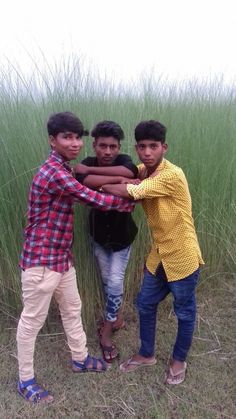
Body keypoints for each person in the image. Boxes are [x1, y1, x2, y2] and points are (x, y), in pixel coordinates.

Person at [16, 112, 135, 403]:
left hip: (60, 258)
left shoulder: (64, 167)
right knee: (31, 322)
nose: (74, 143)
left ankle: (80, 358)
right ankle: (25, 380)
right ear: (52, 140)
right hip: (41, 261)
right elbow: (87, 196)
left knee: (72, 309)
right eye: (67, 137)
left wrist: (124, 186)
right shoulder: (54, 172)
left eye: (77, 137)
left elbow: (88, 184)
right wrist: (126, 201)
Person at [101, 120, 204, 385]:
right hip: (158, 256)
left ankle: (179, 360)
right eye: (143, 147)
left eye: (153, 147)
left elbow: (131, 190)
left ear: (164, 147)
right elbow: (124, 176)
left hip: (182, 257)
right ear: (136, 148)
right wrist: (107, 177)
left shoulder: (171, 175)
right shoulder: (144, 171)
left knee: (184, 312)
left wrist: (100, 186)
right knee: (145, 303)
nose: (147, 152)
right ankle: (147, 354)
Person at [74, 121, 138, 363]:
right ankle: (117, 317)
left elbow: (131, 173)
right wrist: (117, 184)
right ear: (95, 145)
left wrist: (97, 181)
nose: (108, 152)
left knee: (114, 281)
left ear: (119, 147)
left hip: (123, 239)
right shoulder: (87, 163)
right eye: (103, 146)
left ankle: (107, 333)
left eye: (113, 146)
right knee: (106, 281)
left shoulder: (126, 159)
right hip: (98, 236)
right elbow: (80, 177)